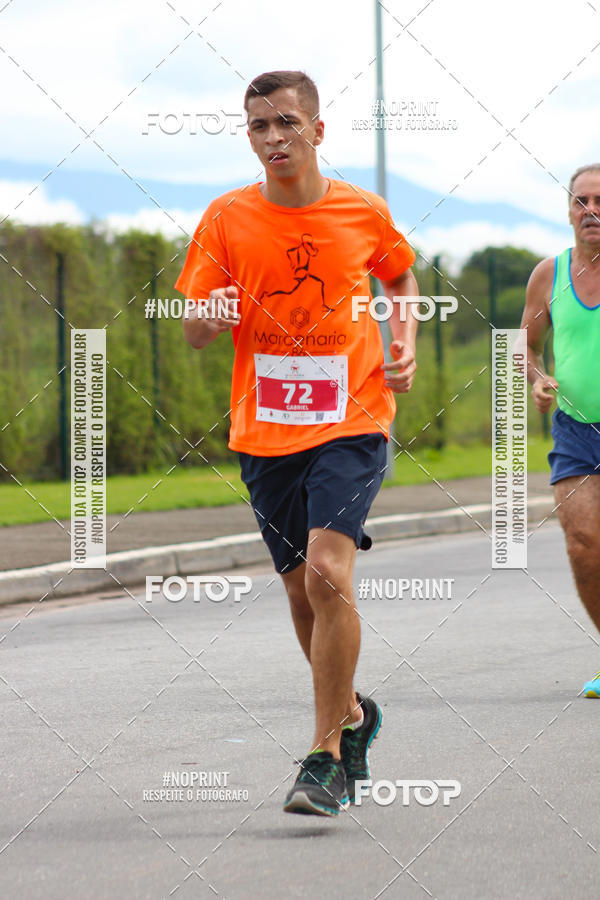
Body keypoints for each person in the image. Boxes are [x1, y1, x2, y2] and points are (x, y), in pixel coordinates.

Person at [176, 70, 420, 815]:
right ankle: (351, 713)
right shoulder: (226, 219)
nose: (273, 137)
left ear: (317, 129)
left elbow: (401, 280)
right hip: (265, 429)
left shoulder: (362, 210)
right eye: (259, 125)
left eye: (286, 122)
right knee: (298, 590)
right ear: (248, 136)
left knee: (326, 569)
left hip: (353, 417)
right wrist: (210, 316)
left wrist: (403, 340)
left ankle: (324, 757)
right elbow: (193, 331)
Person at [521, 163, 600, 696]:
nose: (591, 211)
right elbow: (524, 344)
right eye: (581, 201)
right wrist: (538, 377)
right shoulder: (548, 275)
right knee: (583, 543)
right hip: (575, 428)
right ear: (569, 209)